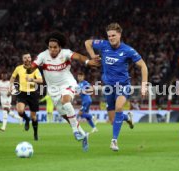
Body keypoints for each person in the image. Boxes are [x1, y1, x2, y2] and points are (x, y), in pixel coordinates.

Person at [28, 31, 100, 151]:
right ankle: (83, 134)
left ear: (60, 46)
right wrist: (29, 67)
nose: (52, 50)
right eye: (50, 47)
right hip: (53, 90)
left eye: (55, 47)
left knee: (66, 101)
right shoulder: (43, 55)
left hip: (68, 84)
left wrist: (87, 62)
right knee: (67, 117)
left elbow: (79, 57)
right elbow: (32, 67)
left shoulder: (65, 53)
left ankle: (75, 131)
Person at [85, 23, 148, 151]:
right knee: (113, 120)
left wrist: (144, 85)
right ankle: (127, 117)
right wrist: (92, 56)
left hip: (123, 85)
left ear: (119, 35)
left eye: (114, 35)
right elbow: (87, 42)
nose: (111, 38)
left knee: (119, 107)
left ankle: (114, 141)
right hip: (109, 87)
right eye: (109, 36)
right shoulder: (103, 45)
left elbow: (143, 66)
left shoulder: (128, 50)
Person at [10, 52, 43, 141]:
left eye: (28, 57)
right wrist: (10, 86)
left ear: (30, 59)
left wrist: (32, 79)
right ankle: (26, 119)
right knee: (20, 111)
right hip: (22, 93)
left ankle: (35, 133)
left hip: (32, 93)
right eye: (25, 58)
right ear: (22, 59)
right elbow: (13, 77)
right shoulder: (18, 68)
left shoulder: (35, 69)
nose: (27, 59)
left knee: (34, 116)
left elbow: (41, 80)